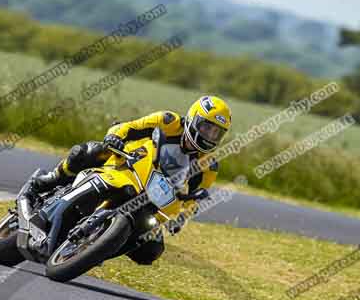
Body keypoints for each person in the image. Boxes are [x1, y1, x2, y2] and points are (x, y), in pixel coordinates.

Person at [29, 95, 232, 264]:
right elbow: (130, 127)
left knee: (151, 250)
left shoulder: (209, 166)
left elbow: (193, 200)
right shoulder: (168, 121)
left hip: (153, 198)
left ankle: (95, 251)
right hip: (126, 165)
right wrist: (115, 136)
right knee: (89, 151)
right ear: (194, 118)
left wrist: (181, 218)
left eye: (216, 133)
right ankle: (53, 178)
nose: (209, 135)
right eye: (207, 128)